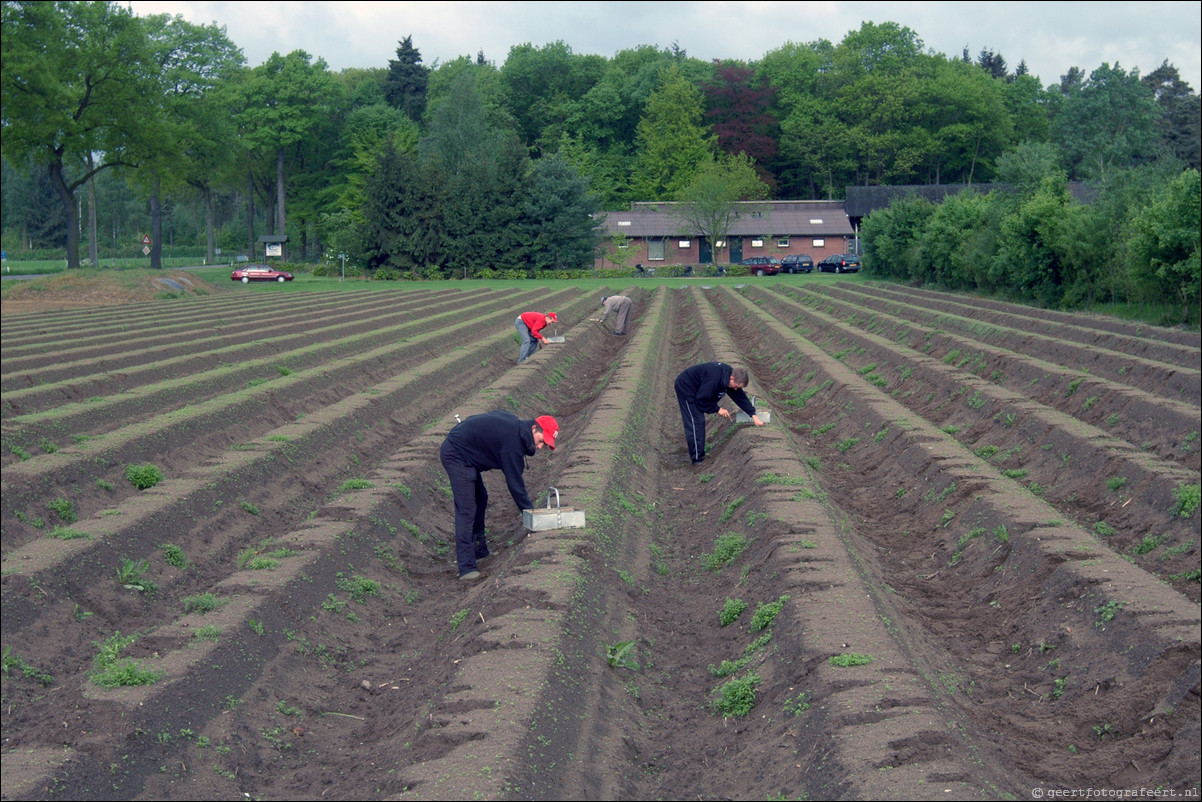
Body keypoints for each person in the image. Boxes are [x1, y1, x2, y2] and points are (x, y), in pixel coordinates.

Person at [439, 410, 558, 581]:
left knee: (481, 497)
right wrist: (534, 518)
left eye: (544, 445)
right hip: (456, 453)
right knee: (466, 508)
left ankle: (480, 550)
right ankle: (466, 568)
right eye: (541, 441)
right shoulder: (513, 445)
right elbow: (516, 488)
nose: (540, 447)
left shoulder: (516, 427)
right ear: (534, 429)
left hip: (466, 452)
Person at [673, 362, 764, 464]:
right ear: (732, 378)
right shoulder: (714, 379)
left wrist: (753, 415)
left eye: (738, 388)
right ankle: (698, 459)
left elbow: (740, 397)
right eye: (736, 386)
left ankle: (699, 454)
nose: (735, 389)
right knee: (696, 421)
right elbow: (702, 399)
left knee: (699, 419)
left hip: (699, 390)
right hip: (686, 387)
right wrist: (717, 409)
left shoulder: (728, 378)